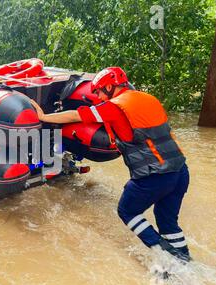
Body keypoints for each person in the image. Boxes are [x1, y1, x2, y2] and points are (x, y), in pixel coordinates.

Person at [32, 67, 191, 262]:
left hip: (154, 176)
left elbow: (75, 116)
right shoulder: (149, 99)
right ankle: (184, 259)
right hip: (181, 172)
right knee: (168, 221)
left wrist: (43, 117)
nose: (97, 96)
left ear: (109, 86)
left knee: (127, 211)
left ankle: (163, 253)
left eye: (98, 91)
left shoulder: (114, 107)